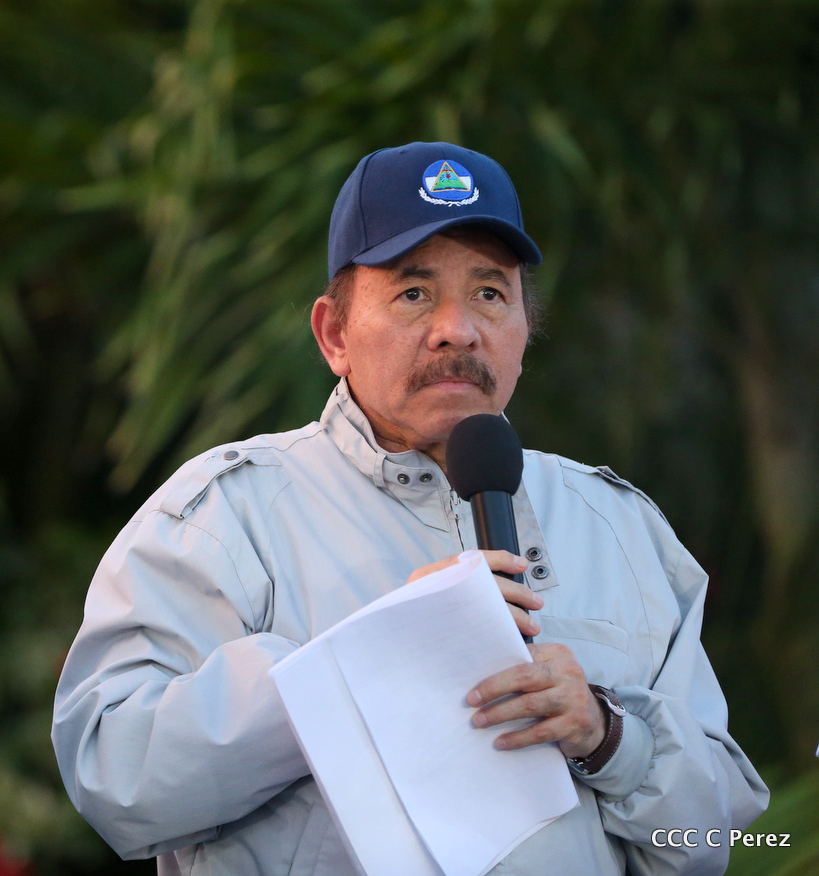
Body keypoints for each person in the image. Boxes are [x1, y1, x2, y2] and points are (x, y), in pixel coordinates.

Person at [51, 141, 769, 875]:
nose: (458, 328)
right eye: (414, 294)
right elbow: (117, 779)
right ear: (334, 334)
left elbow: (716, 838)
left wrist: (612, 739)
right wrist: (370, 657)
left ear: (524, 331)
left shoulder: (617, 527)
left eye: (490, 294)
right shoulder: (226, 515)